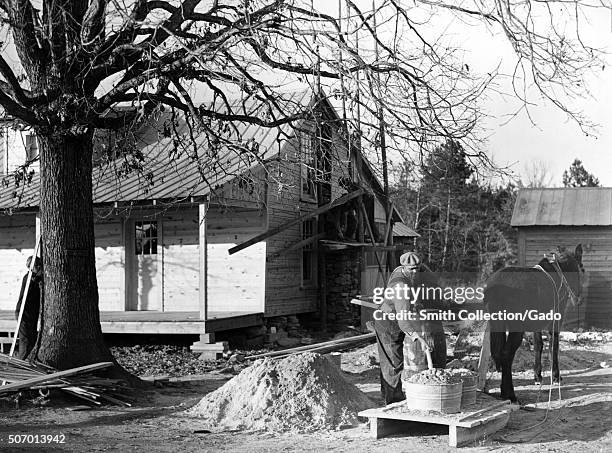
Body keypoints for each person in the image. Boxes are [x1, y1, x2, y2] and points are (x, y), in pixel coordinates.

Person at [374, 251, 447, 404]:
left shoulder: (412, 273)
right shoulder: (400, 286)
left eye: (417, 268)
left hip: (399, 315)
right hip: (388, 322)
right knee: (393, 363)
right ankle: (393, 402)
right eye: (411, 269)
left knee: (392, 362)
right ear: (404, 268)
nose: (415, 272)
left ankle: (387, 394)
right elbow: (403, 321)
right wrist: (418, 337)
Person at [15, 256, 43, 360]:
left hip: (32, 312)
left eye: (40, 265)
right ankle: (21, 362)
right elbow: (33, 280)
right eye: (37, 265)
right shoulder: (28, 278)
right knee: (25, 340)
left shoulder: (36, 277)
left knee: (32, 339)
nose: (39, 267)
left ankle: (28, 360)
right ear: (30, 267)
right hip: (24, 312)